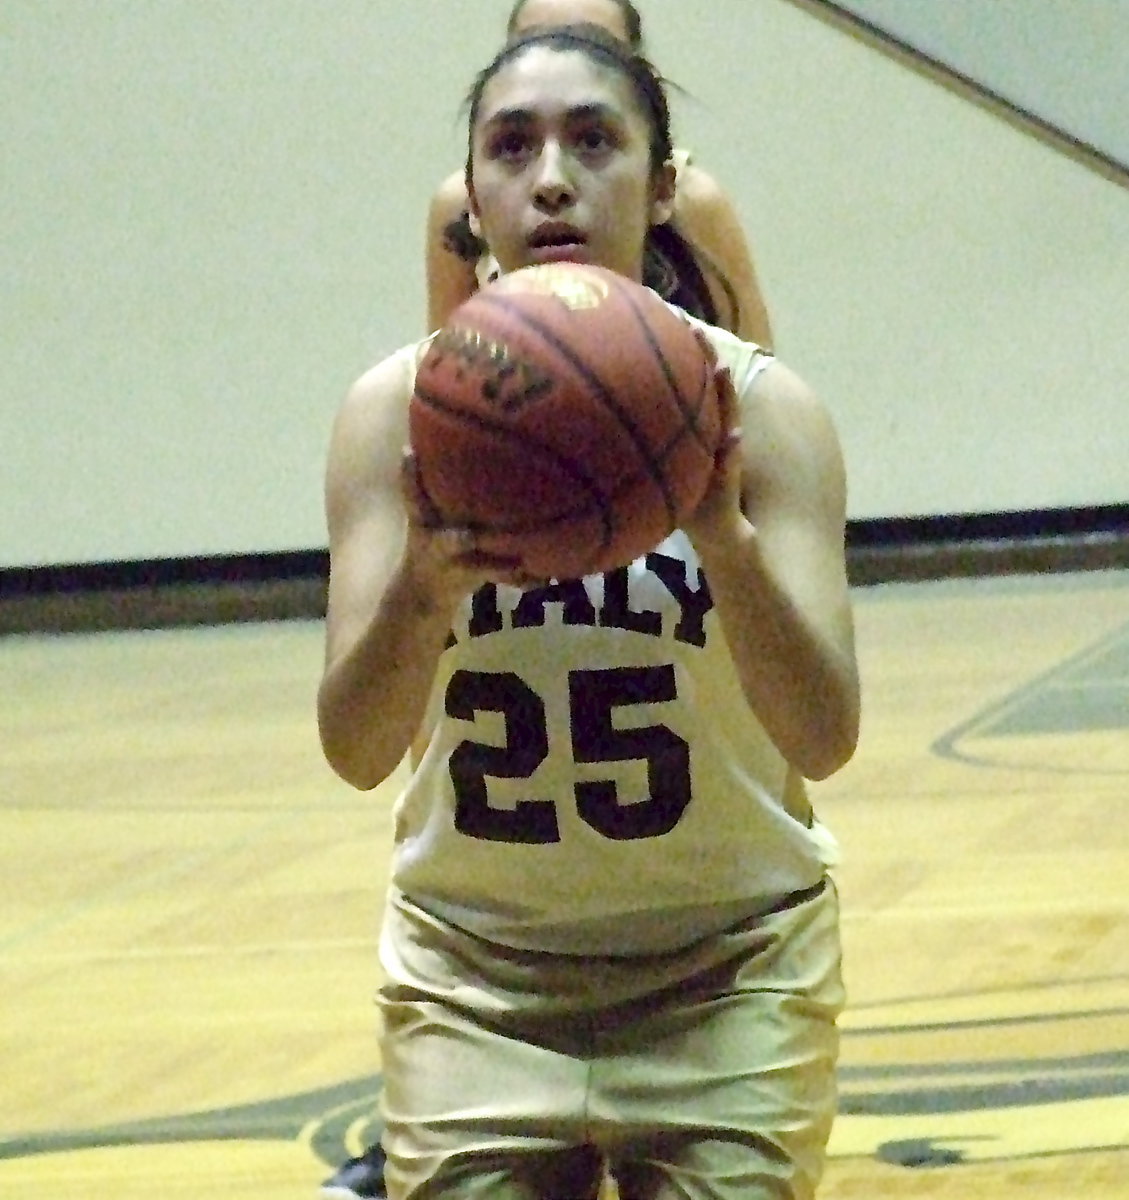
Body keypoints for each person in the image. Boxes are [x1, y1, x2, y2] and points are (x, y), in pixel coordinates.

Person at [318, 24, 858, 1200]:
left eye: (594, 140)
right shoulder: (390, 415)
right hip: (475, 975)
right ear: (469, 192)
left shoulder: (765, 416)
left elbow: (823, 736)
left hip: (732, 967)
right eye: (511, 146)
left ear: (664, 186)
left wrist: (722, 538)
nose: (551, 177)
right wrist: (420, 590)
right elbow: (357, 751)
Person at [426, 0, 774, 347]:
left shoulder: (695, 199)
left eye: (595, 44)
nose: (564, 60)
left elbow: (756, 363)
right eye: (537, 43)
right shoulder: (461, 201)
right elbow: (439, 370)